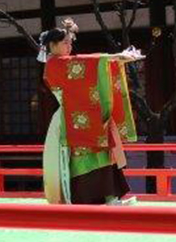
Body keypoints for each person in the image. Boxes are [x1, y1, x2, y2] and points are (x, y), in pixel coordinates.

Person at [39, 19, 144, 204]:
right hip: (70, 120)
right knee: (84, 157)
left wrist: (117, 58)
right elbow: (87, 63)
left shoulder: (64, 62)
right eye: (65, 43)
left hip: (83, 115)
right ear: (52, 45)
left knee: (102, 152)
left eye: (71, 43)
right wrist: (116, 56)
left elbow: (86, 63)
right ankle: (87, 199)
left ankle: (111, 198)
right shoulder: (54, 64)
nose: (69, 47)